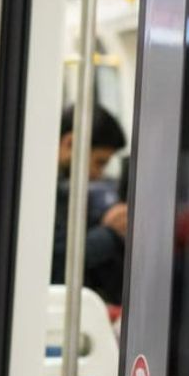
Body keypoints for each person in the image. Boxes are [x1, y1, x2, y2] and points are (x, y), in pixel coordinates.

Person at [51, 104, 129, 306]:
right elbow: (57, 261)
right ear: (70, 143)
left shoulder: (63, 191)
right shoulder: (41, 190)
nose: (98, 174)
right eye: (99, 162)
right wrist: (110, 232)